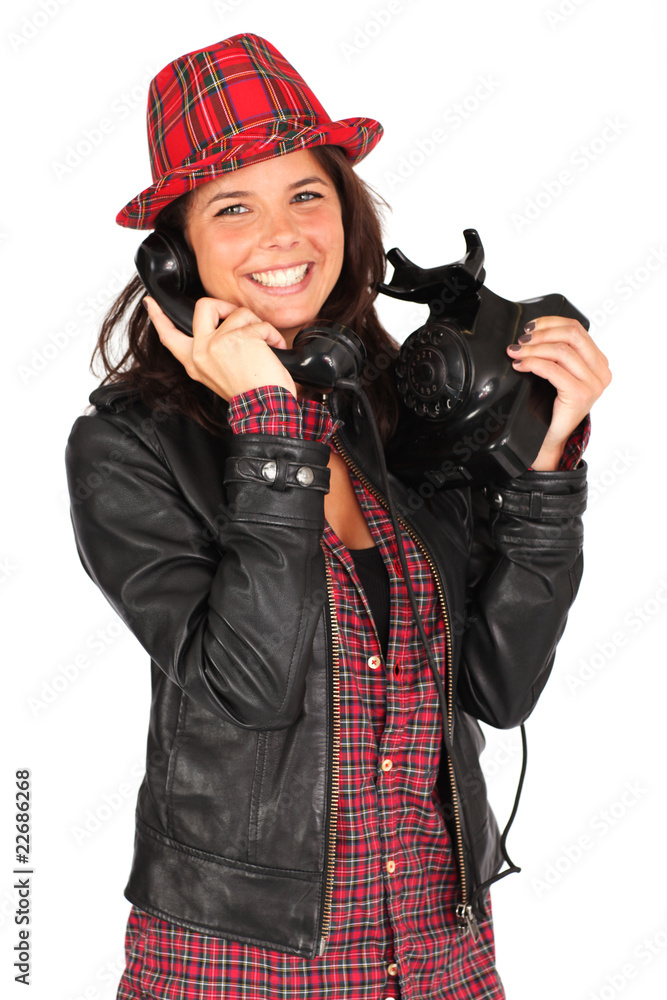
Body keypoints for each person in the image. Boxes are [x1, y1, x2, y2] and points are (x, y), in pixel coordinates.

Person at [65, 33, 611, 1000]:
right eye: (233, 207)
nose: (283, 236)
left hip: (439, 957)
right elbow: (251, 685)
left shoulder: (385, 410)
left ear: (346, 217)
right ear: (174, 259)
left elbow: (497, 687)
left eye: (306, 195)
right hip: (241, 969)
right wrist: (270, 422)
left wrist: (543, 467)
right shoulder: (127, 448)